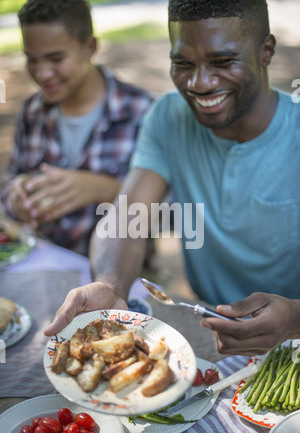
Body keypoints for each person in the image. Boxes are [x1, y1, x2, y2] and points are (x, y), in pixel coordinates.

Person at [44, 0, 300, 357]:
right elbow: (127, 217)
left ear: (265, 51)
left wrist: (295, 318)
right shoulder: (168, 116)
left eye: (223, 62)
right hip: (208, 326)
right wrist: (111, 283)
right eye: (182, 64)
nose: (200, 83)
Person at [1, 0, 153, 256]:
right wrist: (17, 196)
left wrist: (104, 190)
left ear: (90, 47)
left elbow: (172, 214)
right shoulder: (32, 111)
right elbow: (9, 184)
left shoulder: (142, 113)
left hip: (121, 274)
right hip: (45, 263)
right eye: (32, 60)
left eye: (55, 59)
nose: (42, 73)